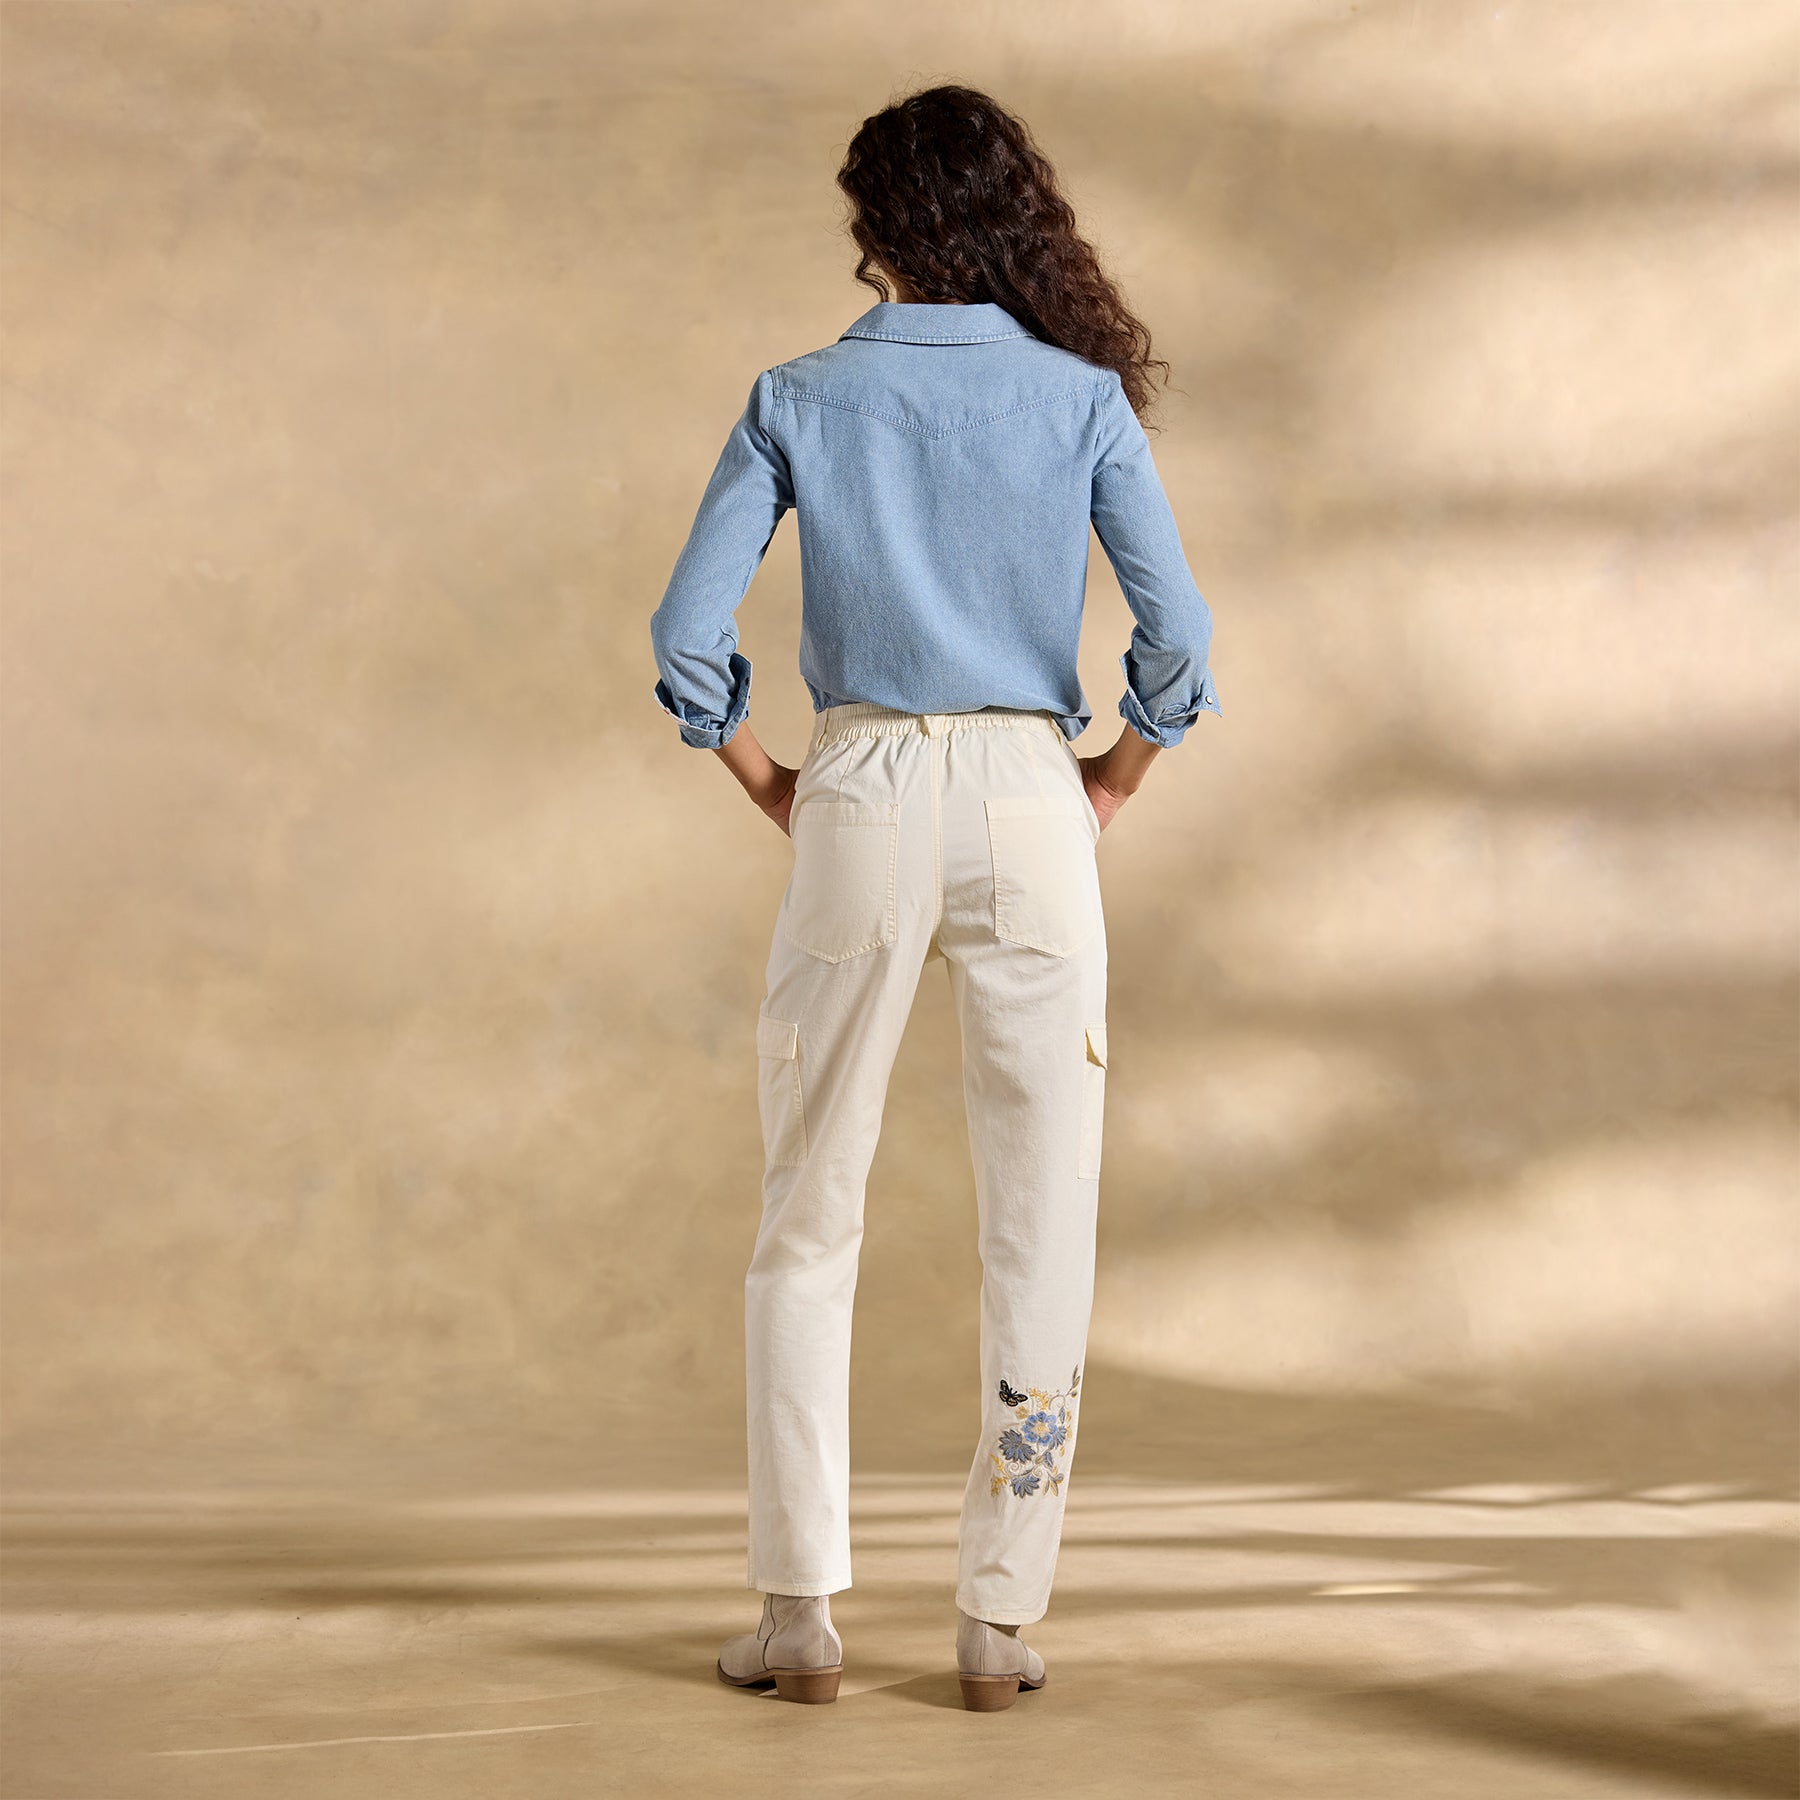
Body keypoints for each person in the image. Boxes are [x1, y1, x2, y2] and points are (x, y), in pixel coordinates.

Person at [649, 83, 1220, 1711]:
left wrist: (768, 781)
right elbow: (1178, 640)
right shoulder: (1080, 398)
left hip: (862, 790)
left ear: (879, 231)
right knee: (1042, 1210)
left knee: (807, 1204)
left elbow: (687, 631)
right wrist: (1116, 780)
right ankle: (995, 1620)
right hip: (1036, 801)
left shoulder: (798, 395)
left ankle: (799, 1617)